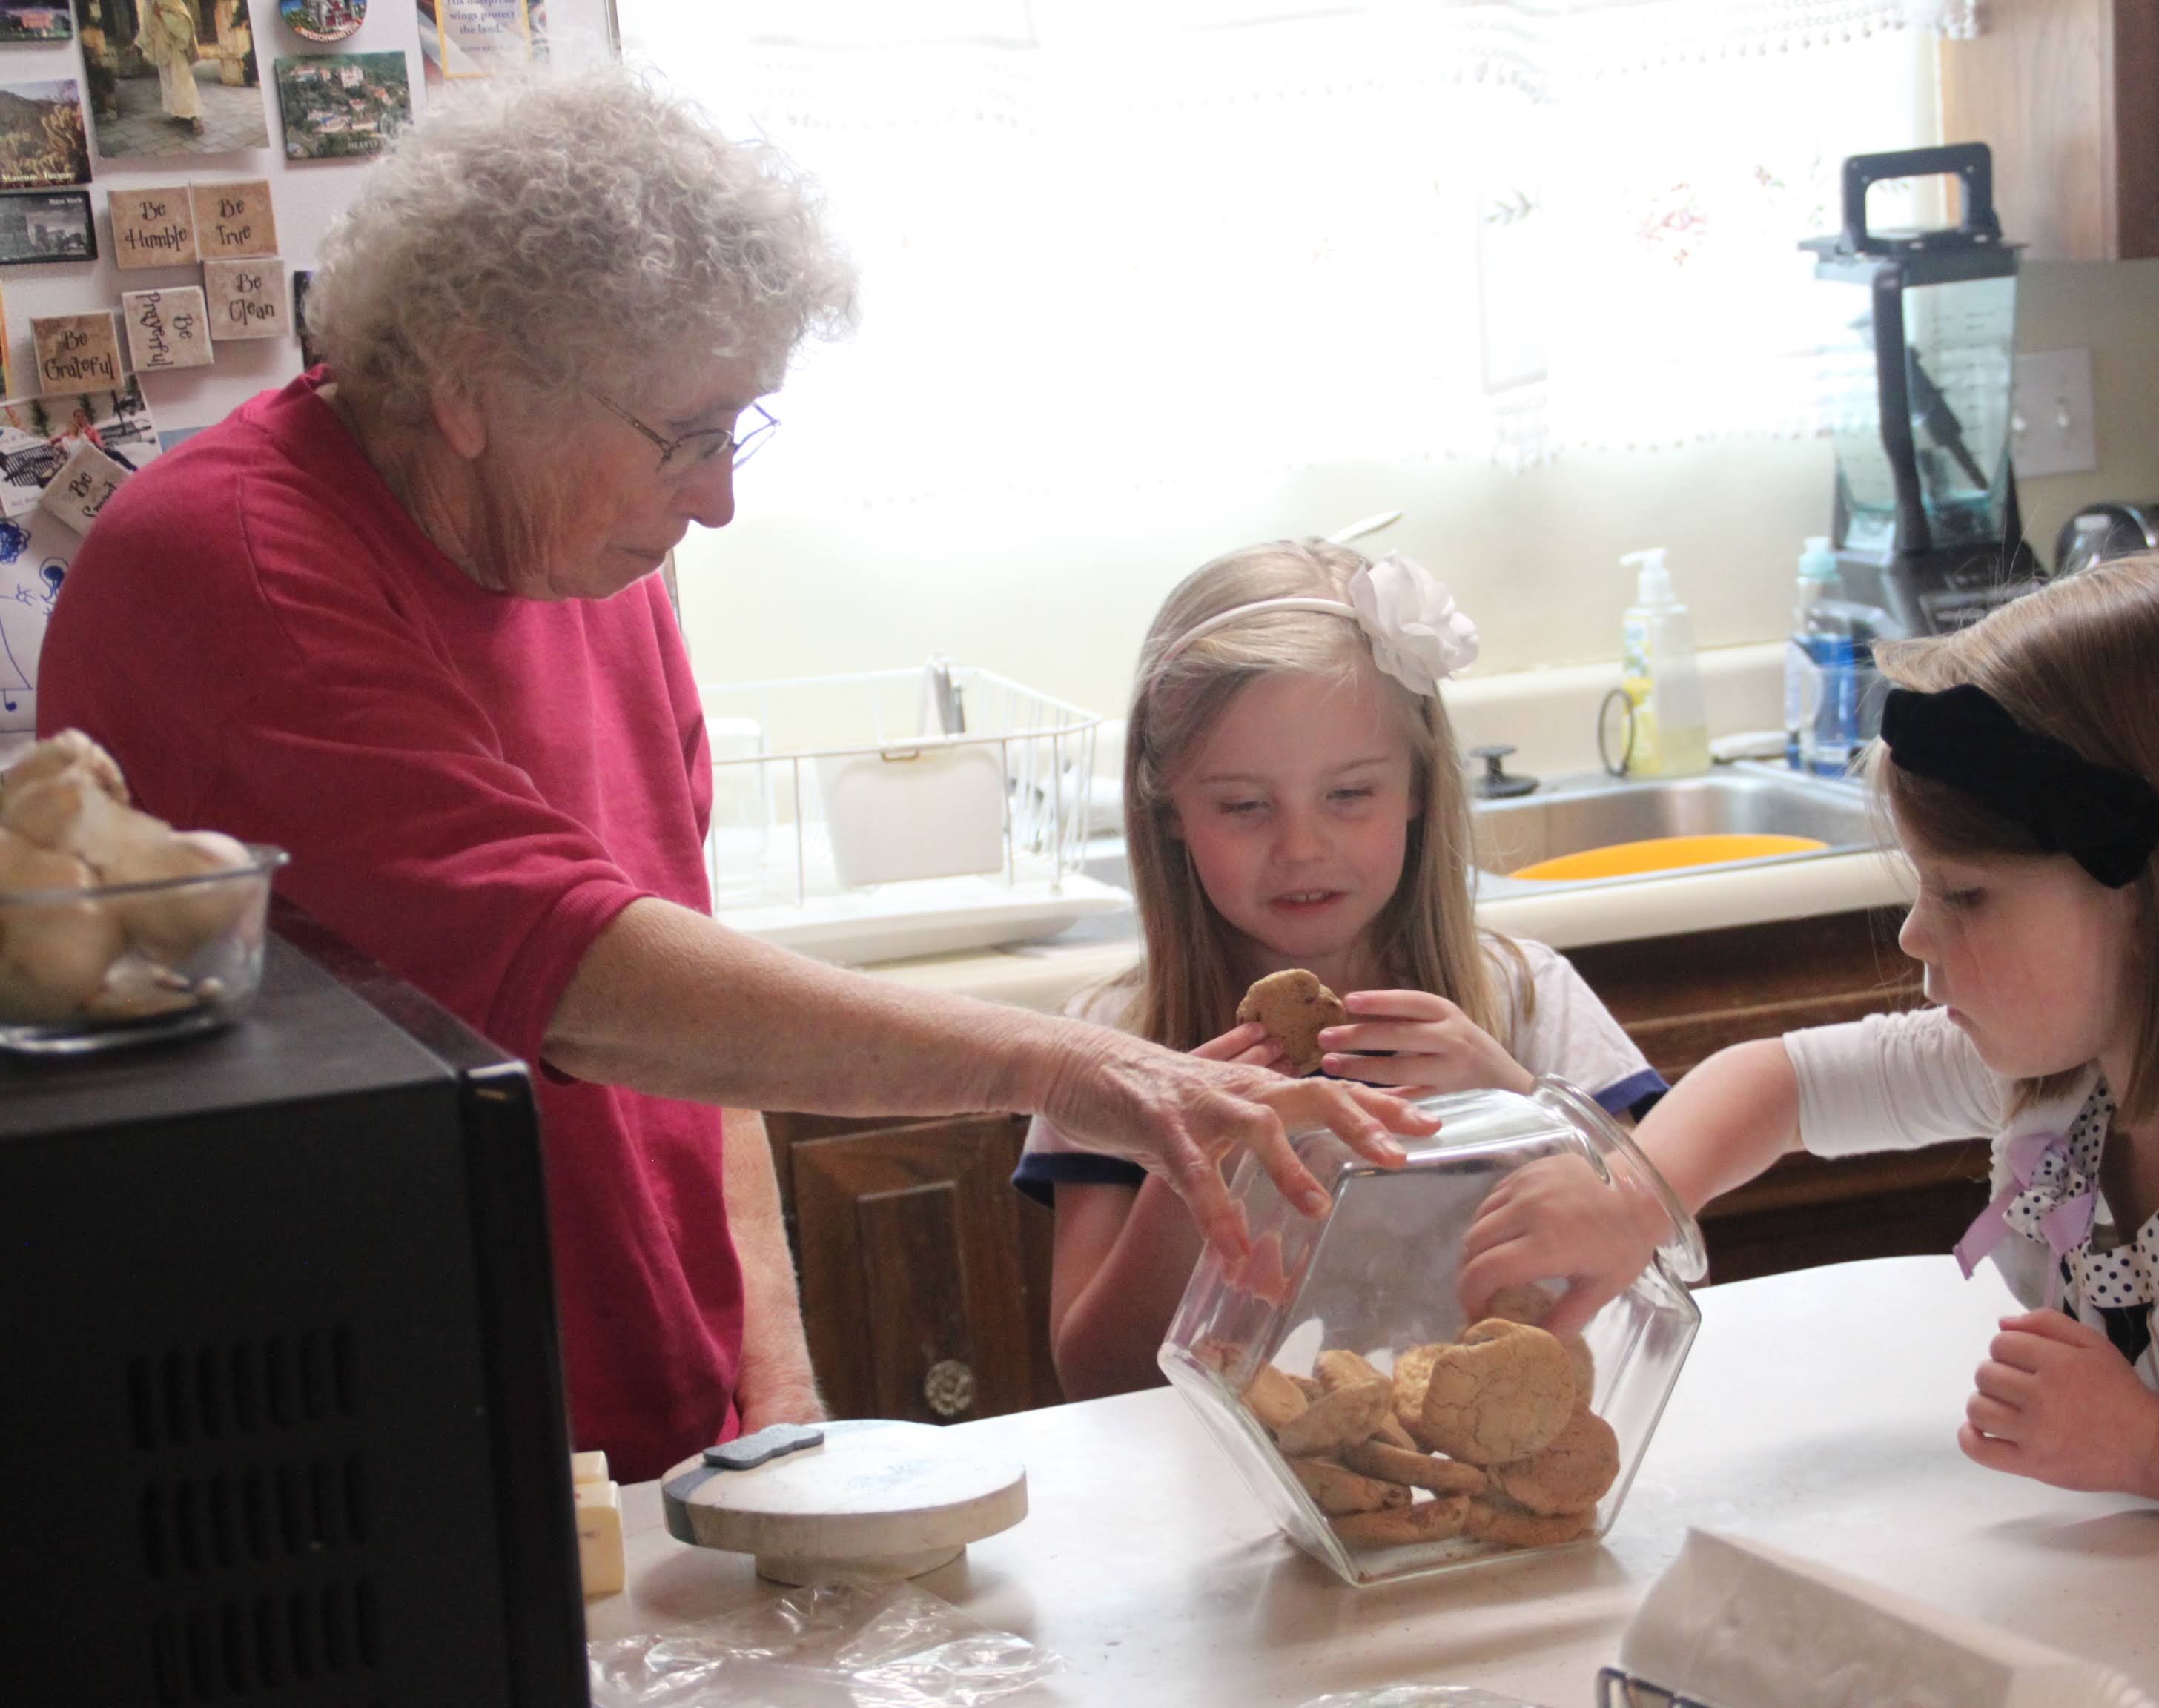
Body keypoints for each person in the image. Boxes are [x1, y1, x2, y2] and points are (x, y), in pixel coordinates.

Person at [34, 73, 1429, 1483]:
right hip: (367, 1447)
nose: (718, 499)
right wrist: (1071, 1059)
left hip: (653, 1429)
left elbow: (688, 1005)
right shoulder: (233, 567)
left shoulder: (589, 550)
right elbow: (586, 975)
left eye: (737, 429)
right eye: (688, 434)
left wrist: (771, 1397)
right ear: (467, 383)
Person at [1468, 555, 2159, 1538]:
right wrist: (1633, 1200)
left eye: (1967, 896)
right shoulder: (2073, 1064)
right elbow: (1783, 1084)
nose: (1914, 934)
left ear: (2156, 896)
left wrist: (2148, 1447)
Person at [1016, 539, 1669, 1398]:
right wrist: (1191, 1171)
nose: (1300, 847)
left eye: (1350, 795)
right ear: (1167, 809)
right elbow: (1093, 1379)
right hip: (1212, 1499)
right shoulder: (1109, 1046)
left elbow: (1664, 1290)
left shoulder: (1526, 1000)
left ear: (1419, 786)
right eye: (1245, 806)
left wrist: (1512, 1108)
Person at [136, 0, 204, 136]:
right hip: (162, 48)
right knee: (169, 84)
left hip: (174, 47)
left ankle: (195, 118)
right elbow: (147, 27)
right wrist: (136, 44)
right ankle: (179, 114)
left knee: (183, 82)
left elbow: (184, 19)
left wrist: (162, 15)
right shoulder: (148, 3)